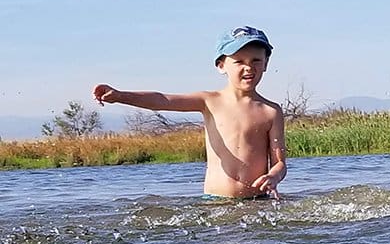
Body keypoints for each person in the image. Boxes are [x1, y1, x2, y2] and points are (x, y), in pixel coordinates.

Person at [93, 26, 287, 199]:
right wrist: (120, 95)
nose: (248, 67)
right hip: (215, 201)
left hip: (257, 201)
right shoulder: (209, 101)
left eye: (256, 60)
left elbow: (279, 163)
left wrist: (273, 176)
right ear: (221, 66)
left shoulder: (271, 111)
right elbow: (162, 100)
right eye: (239, 61)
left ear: (266, 63)